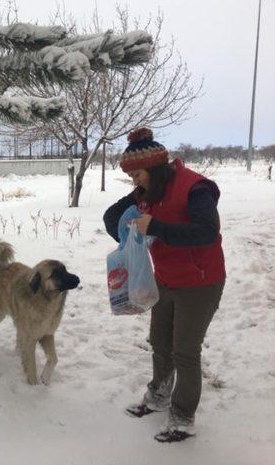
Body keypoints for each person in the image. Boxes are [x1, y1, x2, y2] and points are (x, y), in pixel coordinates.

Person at [103, 127, 225, 443]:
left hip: (201, 282)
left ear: (156, 169)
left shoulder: (195, 188)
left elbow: (207, 232)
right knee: (159, 341)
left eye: (138, 174)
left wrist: (156, 226)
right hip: (166, 279)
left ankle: (183, 418)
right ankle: (158, 396)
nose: (135, 182)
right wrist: (130, 214)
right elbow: (112, 216)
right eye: (131, 177)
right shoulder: (150, 191)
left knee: (185, 350)